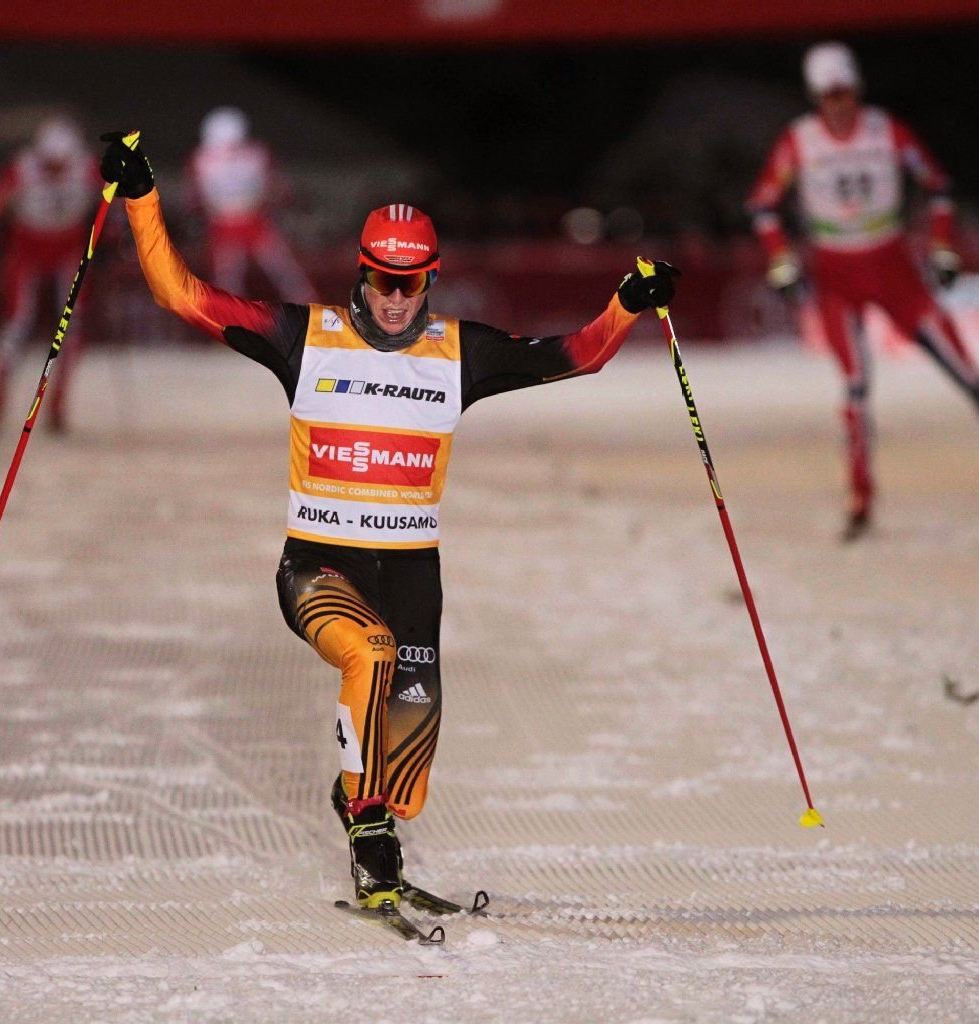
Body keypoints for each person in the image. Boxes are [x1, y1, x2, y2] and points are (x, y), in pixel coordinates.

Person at [100, 132, 675, 912]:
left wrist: (626, 304)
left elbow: (577, 354)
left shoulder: (458, 353)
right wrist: (141, 196)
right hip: (317, 566)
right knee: (365, 659)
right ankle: (367, 833)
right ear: (361, 273)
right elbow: (180, 293)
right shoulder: (302, 337)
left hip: (410, 575)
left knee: (404, 778)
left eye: (408, 283)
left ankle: (367, 804)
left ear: (430, 280)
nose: (393, 297)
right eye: (380, 280)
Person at [748, 42, 979, 540]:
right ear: (816, 97)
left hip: (895, 271)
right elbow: (762, 205)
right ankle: (860, 494)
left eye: (844, 92)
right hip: (836, 276)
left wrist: (943, 249)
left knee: (968, 373)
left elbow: (939, 186)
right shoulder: (798, 141)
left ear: (857, 90)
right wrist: (781, 261)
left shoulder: (886, 131)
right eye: (828, 96)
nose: (838, 105)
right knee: (856, 386)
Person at [0, 117, 100, 435]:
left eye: (60, 165)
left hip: (68, 250)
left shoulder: (87, 167)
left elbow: (115, 201)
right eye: (49, 165)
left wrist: (114, 232)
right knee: (17, 325)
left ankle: (57, 407)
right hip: (26, 251)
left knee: (73, 324)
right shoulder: (23, 167)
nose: (54, 172)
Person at [186, 107, 315, 302]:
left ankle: (307, 307)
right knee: (235, 275)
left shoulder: (203, 159)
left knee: (279, 270)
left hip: (248, 221)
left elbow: (195, 198)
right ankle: (231, 317)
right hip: (231, 223)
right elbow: (278, 187)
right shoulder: (256, 153)